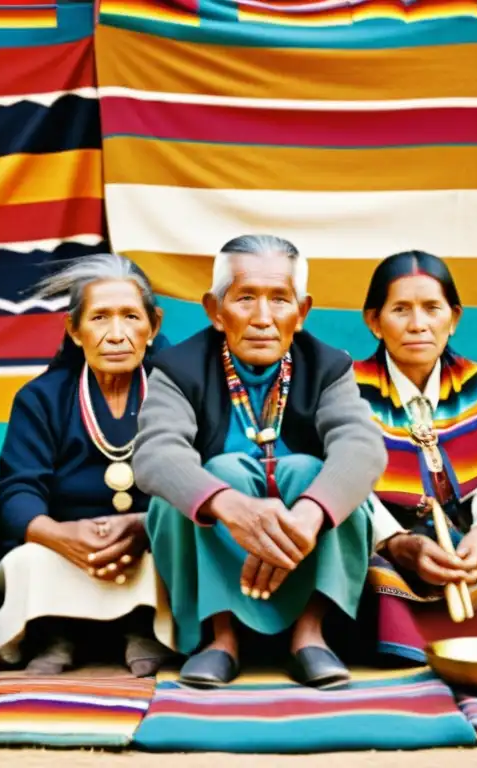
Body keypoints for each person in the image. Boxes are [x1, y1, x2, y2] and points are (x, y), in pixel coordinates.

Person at [134, 234, 387, 688]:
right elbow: (156, 453)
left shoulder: (329, 367)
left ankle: (311, 634)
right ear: (214, 310)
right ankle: (219, 637)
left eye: (280, 300)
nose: (263, 319)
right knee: (216, 473)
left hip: (302, 543)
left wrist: (309, 516)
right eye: (245, 298)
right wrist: (232, 507)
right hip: (216, 534)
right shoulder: (177, 368)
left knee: (317, 475)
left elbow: (361, 446)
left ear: (302, 312)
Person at [0, 254, 176, 677]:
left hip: (149, 540)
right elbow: (16, 490)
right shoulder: (42, 398)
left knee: (180, 546)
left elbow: (198, 476)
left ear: (154, 326)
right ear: (74, 330)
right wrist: (57, 535)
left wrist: (147, 526)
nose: (116, 335)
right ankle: (56, 633)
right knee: (27, 559)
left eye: (130, 316)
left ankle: (143, 628)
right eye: (99, 318)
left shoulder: (178, 392)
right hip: (62, 546)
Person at [355, 252, 477, 662]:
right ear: (374, 321)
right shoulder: (347, 391)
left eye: (432, 309)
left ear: (453, 317)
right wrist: (396, 542)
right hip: (388, 540)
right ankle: (399, 651)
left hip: (463, 534)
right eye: (400, 309)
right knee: (372, 573)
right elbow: (342, 484)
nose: (418, 324)